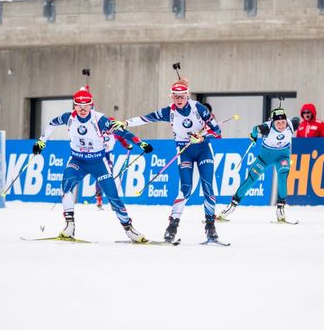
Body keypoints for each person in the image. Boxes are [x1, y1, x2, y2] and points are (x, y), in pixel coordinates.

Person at [32, 86, 152, 242]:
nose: (83, 109)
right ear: (74, 105)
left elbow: (120, 131)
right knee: (66, 186)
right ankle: (69, 226)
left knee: (113, 196)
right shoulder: (68, 117)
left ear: (91, 105)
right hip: (77, 160)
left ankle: (130, 230)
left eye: (86, 105)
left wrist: (140, 143)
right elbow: (52, 124)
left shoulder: (99, 119)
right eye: (79, 106)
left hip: (98, 162)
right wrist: (41, 142)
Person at [110, 79, 222, 243]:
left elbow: (217, 131)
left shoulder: (198, 108)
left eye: (181, 96)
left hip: (204, 150)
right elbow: (147, 118)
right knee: (185, 189)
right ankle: (172, 226)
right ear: (172, 97)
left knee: (207, 187)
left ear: (187, 95)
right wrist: (126, 123)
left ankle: (210, 227)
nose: (178, 99)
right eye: (175, 96)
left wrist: (202, 136)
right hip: (185, 151)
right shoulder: (169, 111)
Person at [219, 108, 299, 222]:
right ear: (273, 121)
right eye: (278, 123)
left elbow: (297, 119)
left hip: (282, 157)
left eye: (283, 122)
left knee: (282, 175)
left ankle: (280, 209)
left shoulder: (291, 125)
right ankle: (230, 207)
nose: (281, 126)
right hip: (265, 158)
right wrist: (253, 135)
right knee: (251, 180)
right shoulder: (267, 127)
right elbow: (255, 128)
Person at [95, 119, 134, 209]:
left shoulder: (116, 133)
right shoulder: (99, 130)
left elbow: (122, 140)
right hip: (98, 155)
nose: (111, 129)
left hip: (108, 156)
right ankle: (99, 199)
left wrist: (128, 146)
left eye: (113, 127)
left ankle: (113, 201)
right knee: (100, 177)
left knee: (108, 177)